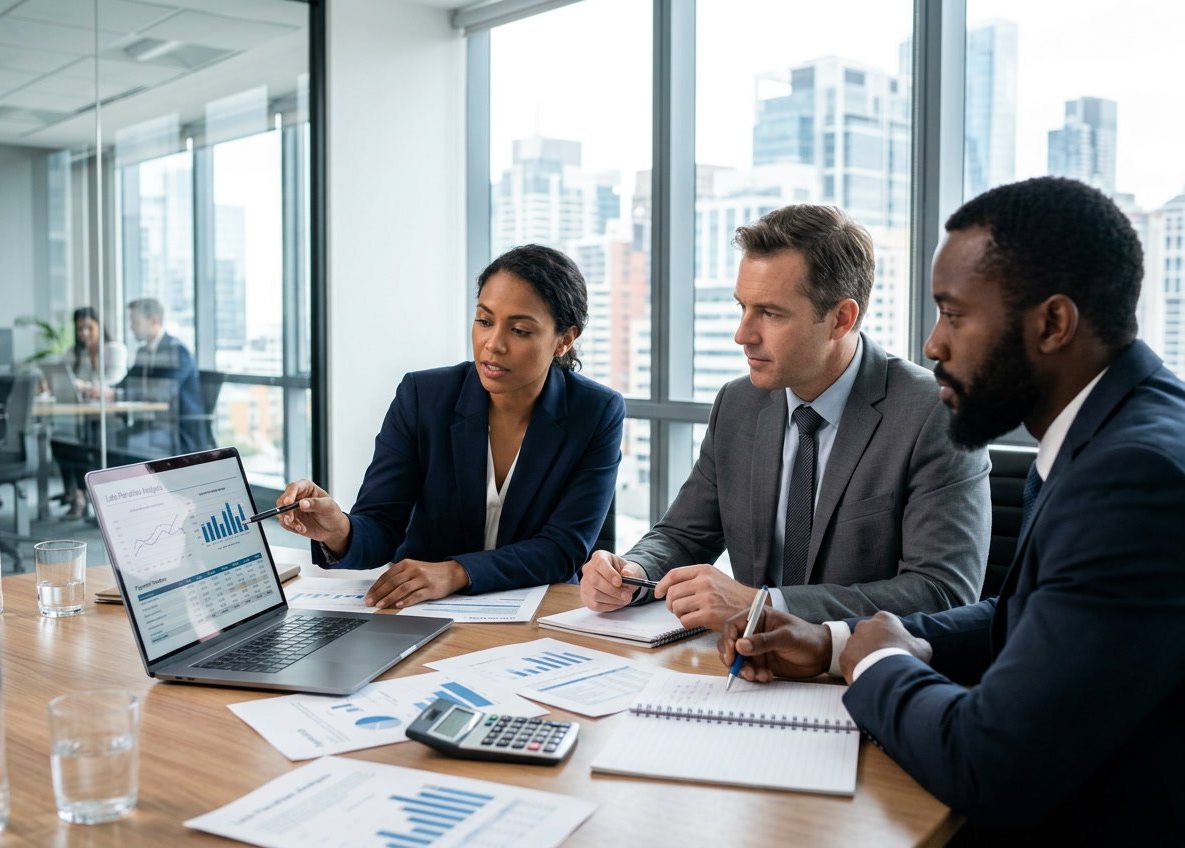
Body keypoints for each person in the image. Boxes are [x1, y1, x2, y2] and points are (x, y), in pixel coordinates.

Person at [719, 177, 1185, 840]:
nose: (934, 344)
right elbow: (1026, 615)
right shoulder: (1110, 433)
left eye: (955, 314)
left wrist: (875, 663)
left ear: (1053, 324)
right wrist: (836, 641)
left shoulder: (1134, 477)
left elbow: (986, 764)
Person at [580, 205, 991, 631]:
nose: (743, 334)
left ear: (840, 319)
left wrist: (764, 605)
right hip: (745, 669)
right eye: (743, 307)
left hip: (861, 674)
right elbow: (683, 535)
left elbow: (942, 591)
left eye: (771, 314)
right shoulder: (738, 404)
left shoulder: (934, 413)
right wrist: (629, 571)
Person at [277, 244, 625, 609]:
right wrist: (339, 530)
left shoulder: (597, 411)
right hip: (423, 611)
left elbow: (563, 549)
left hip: (540, 612)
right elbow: (381, 526)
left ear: (564, 340)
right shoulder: (423, 397)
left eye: (520, 330)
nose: (494, 344)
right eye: (484, 321)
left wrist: (456, 572)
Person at [110, 297, 206, 456]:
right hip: (154, 426)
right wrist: (104, 391)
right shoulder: (143, 352)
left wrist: (116, 394)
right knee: (111, 439)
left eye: (136, 322)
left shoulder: (176, 352)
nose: (131, 327)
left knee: (119, 443)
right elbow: (127, 384)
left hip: (178, 432)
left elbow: (161, 393)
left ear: (153, 321)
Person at [57, 306, 128, 518]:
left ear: (99, 325)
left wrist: (85, 386)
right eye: (80, 329)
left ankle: (92, 496)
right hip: (84, 416)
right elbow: (67, 383)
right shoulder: (74, 353)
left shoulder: (113, 349)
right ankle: (78, 493)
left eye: (89, 327)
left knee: (84, 440)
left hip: (110, 417)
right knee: (60, 438)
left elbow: (110, 385)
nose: (84, 333)